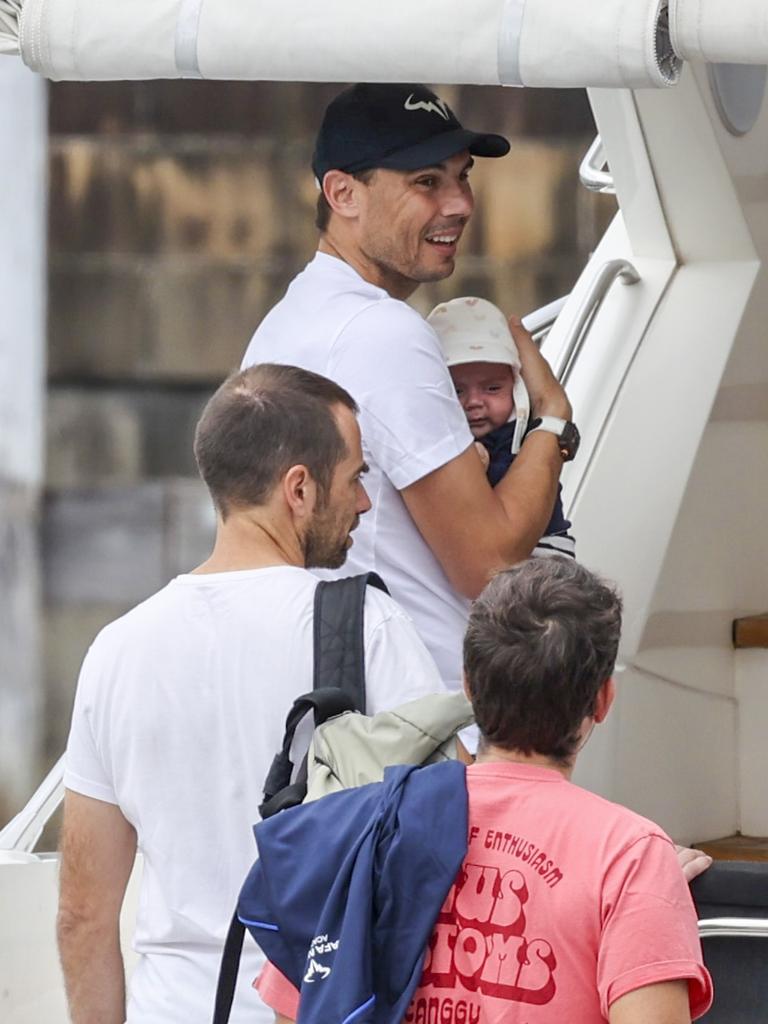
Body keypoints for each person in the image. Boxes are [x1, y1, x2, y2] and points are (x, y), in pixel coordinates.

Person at [56, 364, 447, 1024]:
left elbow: (82, 917)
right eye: (354, 478)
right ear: (298, 487)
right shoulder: (367, 626)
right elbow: (448, 836)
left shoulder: (116, 651)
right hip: (323, 1005)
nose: (364, 503)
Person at [244, 558, 714, 1024]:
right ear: (602, 700)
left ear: (468, 687)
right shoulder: (628, 858)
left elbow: (299, 1012)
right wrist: (650, 892)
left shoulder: (357, 832)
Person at [242, 82, 578, 700]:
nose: (459, 204)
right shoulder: (384, 333)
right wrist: (552, 425)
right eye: (426, 182)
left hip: (340, 712)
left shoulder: (285, 322)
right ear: (342, 193)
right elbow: (490, 565)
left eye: (462, 176)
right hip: (425, 720)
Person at [428, 294, 576, 558]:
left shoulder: (522, 438)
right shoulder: (436, 442)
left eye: (492, 388)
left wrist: (477, 475)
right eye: (457, 390)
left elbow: (515, 493)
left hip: (545, 556)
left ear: (517, 388)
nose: (474, 402)